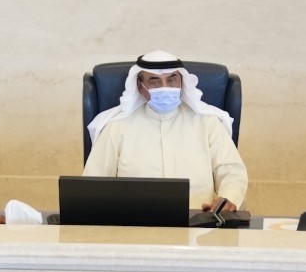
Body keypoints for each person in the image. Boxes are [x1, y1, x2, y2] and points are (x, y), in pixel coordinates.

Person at [83, 51, 248, 211]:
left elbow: (231, 171)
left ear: (182, 83)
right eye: (155, 82)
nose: (165, 87)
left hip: (199, 221)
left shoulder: (208, 122)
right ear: (140, 87)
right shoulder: (116, 127)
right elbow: (93, 182)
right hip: (133, 223)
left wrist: (227, 199)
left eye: (171, 80)